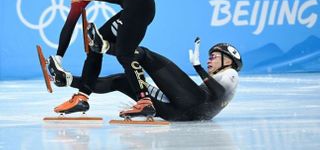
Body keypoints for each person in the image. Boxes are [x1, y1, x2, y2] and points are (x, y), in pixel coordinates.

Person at [41, 0, 171, 118]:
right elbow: (69, 25)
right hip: (133, 8)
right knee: (95, 46)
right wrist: (58, 57)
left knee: (124, 54)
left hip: (140, 4)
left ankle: (144, 102)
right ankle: (82, 97)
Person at [51, 30, 242, 121]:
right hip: (177, 113)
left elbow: (216, 93)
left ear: (229, 61)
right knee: (122, 81)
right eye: (209, 57)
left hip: (193, 103)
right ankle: (66, 79)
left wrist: (199, 67)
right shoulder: (224, 73)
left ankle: (105, 46)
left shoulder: (231, 73)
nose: (210, 60)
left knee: (145, 55)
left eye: (214, 56)